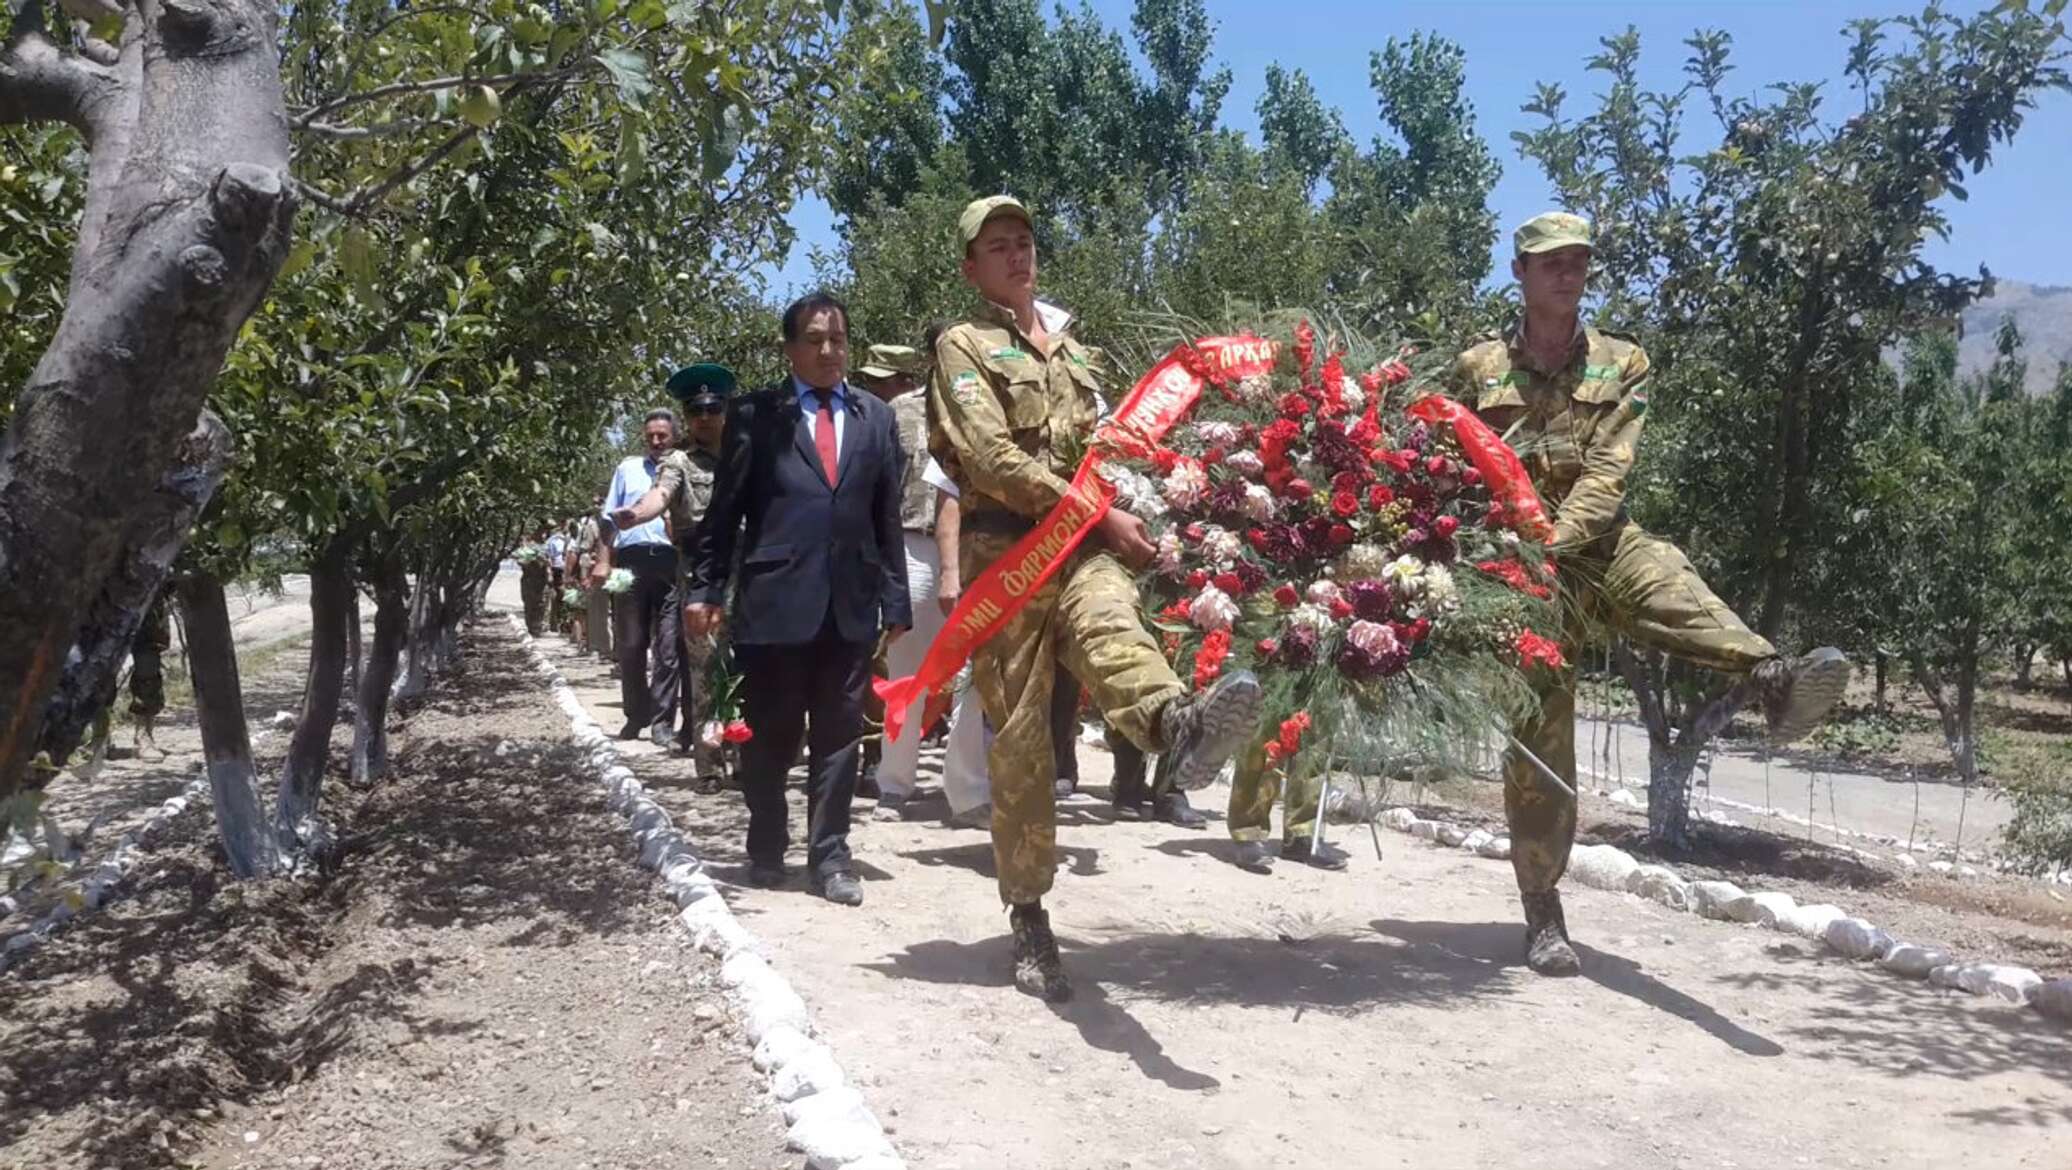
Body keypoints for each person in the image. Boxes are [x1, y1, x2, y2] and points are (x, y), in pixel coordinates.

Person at [1443, 211, 1851, 977]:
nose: (1569, 273)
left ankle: (1771, 677)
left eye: (1579, 261)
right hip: (1517, 576)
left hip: (1594, 544)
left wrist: (1554, 544)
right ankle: (1542, 915)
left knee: (1667, 579)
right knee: (1539, 743)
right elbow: (1449, 461)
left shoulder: (1625, 361)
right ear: (1520, 271)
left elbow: (1607, 474)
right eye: (1551, 261)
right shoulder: (1476, 368)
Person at [928, 195, 1262, 1001]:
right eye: (998, 246)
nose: (1017, 255)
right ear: (972, 268)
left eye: (1025, 242)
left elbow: (1105, 447)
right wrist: (1098, 512)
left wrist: (1151, 497)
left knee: (1115, 623)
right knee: (1021, 748)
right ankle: (1031, 917)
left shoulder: (1078, 351)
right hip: (1003, 553)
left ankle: (1174, 726)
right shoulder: (961, 347)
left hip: (1077, 546)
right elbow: (989, 456)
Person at [685, 292, 911, 907]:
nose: (829, 350)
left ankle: (831, 857)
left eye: (838, 338)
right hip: (775, 601)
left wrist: (896, 600)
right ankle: (765, 844)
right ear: (790, 348)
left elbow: (884, 516)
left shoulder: (875, 418)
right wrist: (705, 586)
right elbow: (724, 512)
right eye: (815, 339)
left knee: (840, 736)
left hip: (851, 603)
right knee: (773, 735)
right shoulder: (757, 414)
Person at [618, 363, 734, 793]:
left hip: (747, 567)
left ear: (725, 408)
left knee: (749, 666)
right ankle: (710, 764)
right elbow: (659, 495)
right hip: (701, 568)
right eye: (695, 409)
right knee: (706, 667)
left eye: (712, 407)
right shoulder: (679, 461)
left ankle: (745, 755)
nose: (704, 416)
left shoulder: (745, 454)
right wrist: (636, 514)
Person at [596, 408, 685, 742]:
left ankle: (663, 723)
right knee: (631, 644)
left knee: (668, 648)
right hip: (631, 563)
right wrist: (603, 560)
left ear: (674, 435)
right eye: (650, 436)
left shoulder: (683, 467)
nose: (656, 441)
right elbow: (607, 520)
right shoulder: (627, 468)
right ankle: (636, 714)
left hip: (670, 562)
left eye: (662, 435)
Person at [127, 593, 171, 762]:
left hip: (146, 592)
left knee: (148, 663)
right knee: (98, 667)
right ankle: (97, 741)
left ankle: (144, 736)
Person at [518, 527, 549, 635]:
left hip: (542, 579)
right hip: (529, 578)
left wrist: (545, 561)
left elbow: (551, 561)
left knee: (541, 603)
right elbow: (520, 561)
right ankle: (531, 626)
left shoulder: (546, 546)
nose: (542, 534)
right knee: (529, 603)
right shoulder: (527, 546)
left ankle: (537, 626)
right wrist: (532, 560)